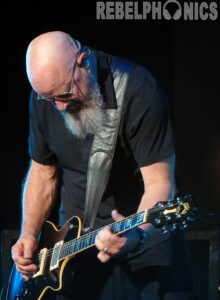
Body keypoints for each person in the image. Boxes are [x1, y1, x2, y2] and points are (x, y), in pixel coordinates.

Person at [11, 31, 196, 300]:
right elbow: (42, 171)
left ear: (84, 62)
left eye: (65, 93)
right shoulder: (46, 94)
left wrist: (136, 235)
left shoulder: (139, 90)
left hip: (141, 222)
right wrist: (28, 232)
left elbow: (159, 182)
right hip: (73, 235)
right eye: (50, 99)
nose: (60, 107)